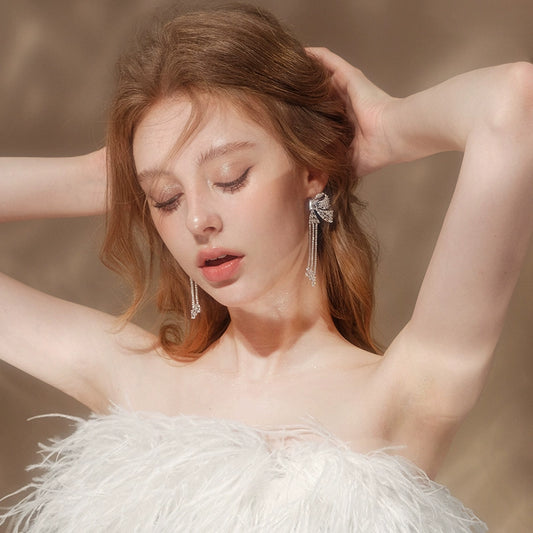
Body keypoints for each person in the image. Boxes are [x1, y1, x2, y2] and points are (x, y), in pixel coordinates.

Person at [0, 3, 531, 531]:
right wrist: (103, 177)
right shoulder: (135, 378)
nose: (198, 220)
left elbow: (512, 103)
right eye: (166, 199)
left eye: (229, 177)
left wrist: (389, 129)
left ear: (311, 170)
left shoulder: (402, 394)